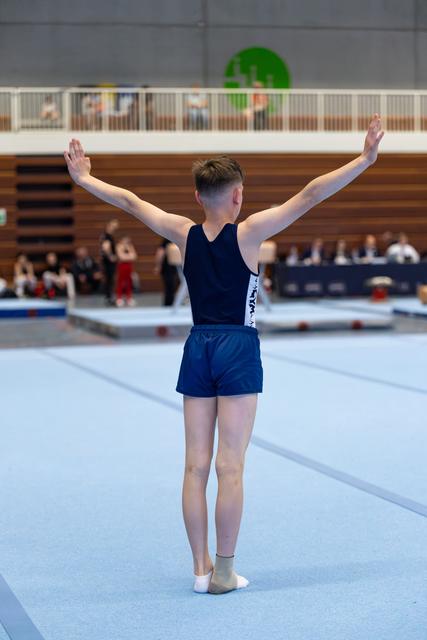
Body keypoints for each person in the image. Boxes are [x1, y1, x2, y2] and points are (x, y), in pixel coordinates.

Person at [64, 114, 384, 595]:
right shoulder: (250, 232)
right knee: (229, 465)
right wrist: (364, 159)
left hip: (198, 345)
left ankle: (198, 570)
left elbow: (130, 202)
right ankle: (225, 571)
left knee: (195, 465)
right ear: (238, 194)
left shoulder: (181, 231)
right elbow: (312, 194)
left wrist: (84, 178)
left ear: (197, 197)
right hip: (238, 346)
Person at [100, 219, 119, 305]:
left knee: (109, 279)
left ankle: (109, 296)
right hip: (108, 262)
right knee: (110, 279)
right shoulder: (107, 236)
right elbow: (105, 247)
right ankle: (109, 297)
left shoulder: (106, 236)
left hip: (107, 261)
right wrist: (111, 256)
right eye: (114, 225)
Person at [154, 239, 178, 306]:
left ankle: (171, 303)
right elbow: (160, 253)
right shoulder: (167, 241)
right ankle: (168, 304)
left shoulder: (175, 239)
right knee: (169, 286)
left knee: (172, 287)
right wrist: (158, 265)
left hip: (175, 268)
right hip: (167, 268)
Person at [116, 236, 137, 307]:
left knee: (129, 282)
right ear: (121, 240)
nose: (126, 242)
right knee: (121, 282)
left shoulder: (130, 246)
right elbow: (121, 257)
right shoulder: (119, 246)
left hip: (129, 267)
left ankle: (129, 298)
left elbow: (134, 256)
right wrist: (129, 256)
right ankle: (119, 298)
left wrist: (126, 255)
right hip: (122, 266)